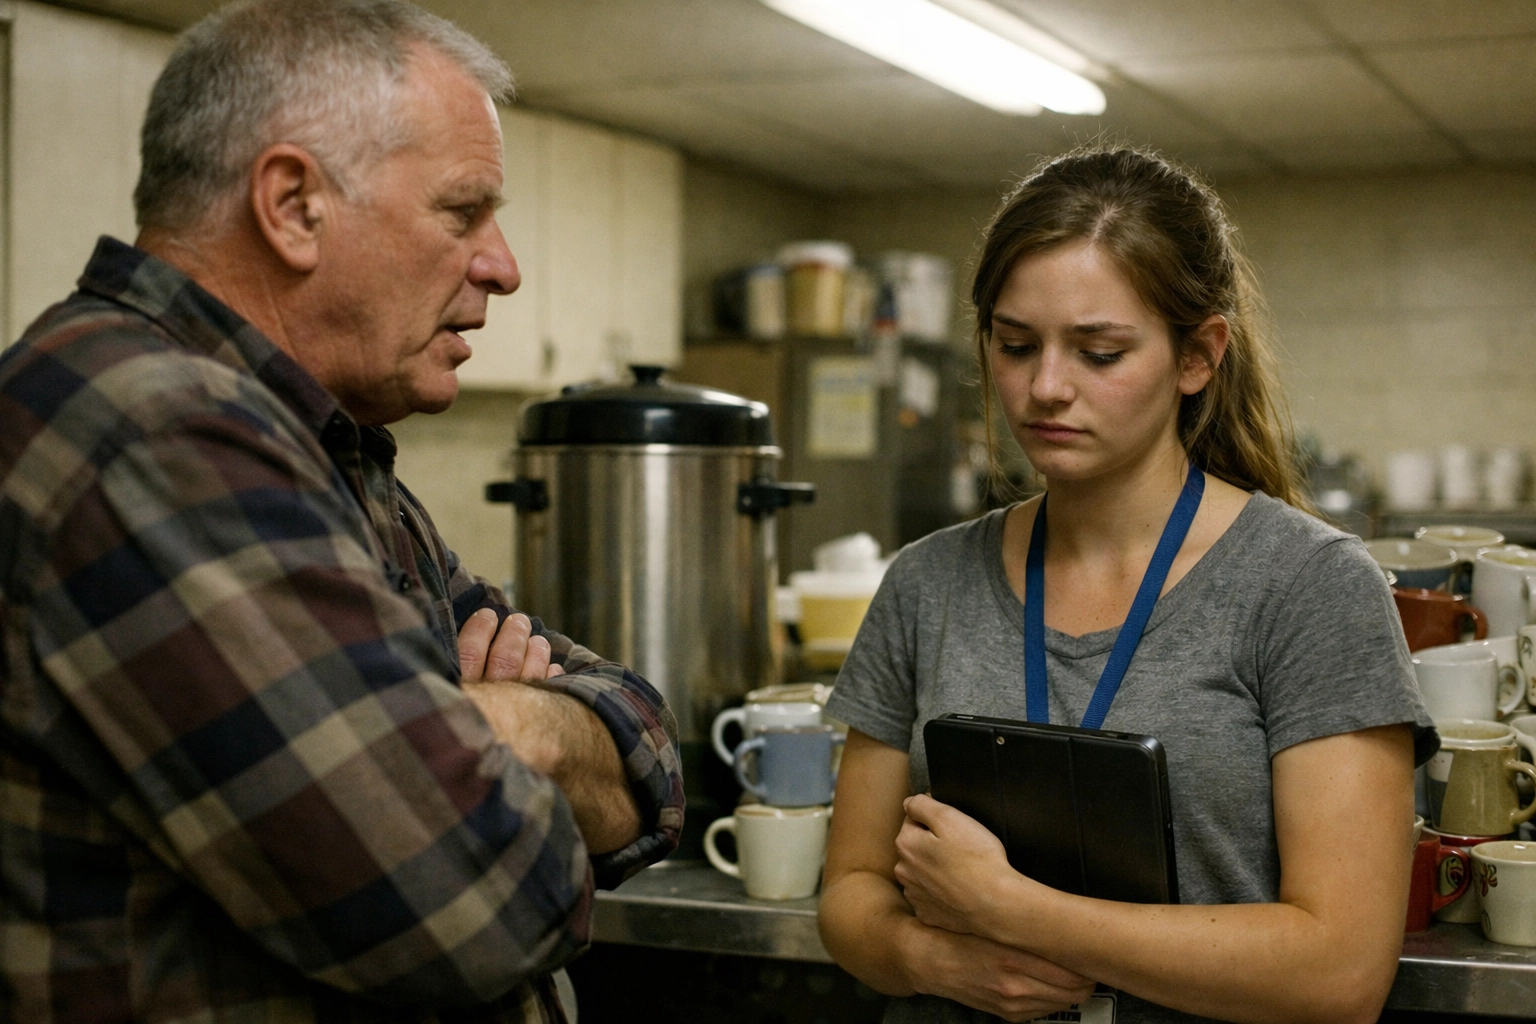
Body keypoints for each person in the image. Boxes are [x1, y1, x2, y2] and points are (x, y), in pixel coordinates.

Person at [0, 2, 683, 1022]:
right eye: (462, 212)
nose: (503, 266)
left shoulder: (318, 447)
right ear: (294, 206)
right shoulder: (160, 436)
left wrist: (516, 725)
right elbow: (461, 906)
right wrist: (494, 759)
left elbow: (655, 764)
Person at [817, 147, 1435, 1024]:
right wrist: (929, 958)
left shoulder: (1309, 588)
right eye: (1015, 346)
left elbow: (1340, 971)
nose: (1045, 388)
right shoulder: (926, 583)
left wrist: (1018, 912)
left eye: (1099, 353)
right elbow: (850, 891)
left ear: (1198, 356)